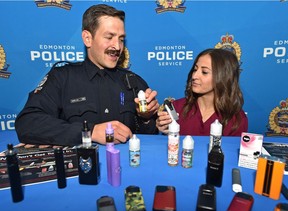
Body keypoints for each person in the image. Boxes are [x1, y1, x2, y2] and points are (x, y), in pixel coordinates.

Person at [15, 4, 159, 146]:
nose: (117, 46)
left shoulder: (133, 82)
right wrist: (91, 132)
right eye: (109, 37)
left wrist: (145, 118)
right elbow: (27, 123)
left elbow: (147, 141)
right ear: (87, 38)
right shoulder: (62, 77)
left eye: (121, 39)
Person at [156, 48, 248, 136]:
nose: (195, 76)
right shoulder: (177, 107)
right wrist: (167, 131)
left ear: (223, 76)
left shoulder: (237, 119)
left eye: (204, 72)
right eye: (195, 69)